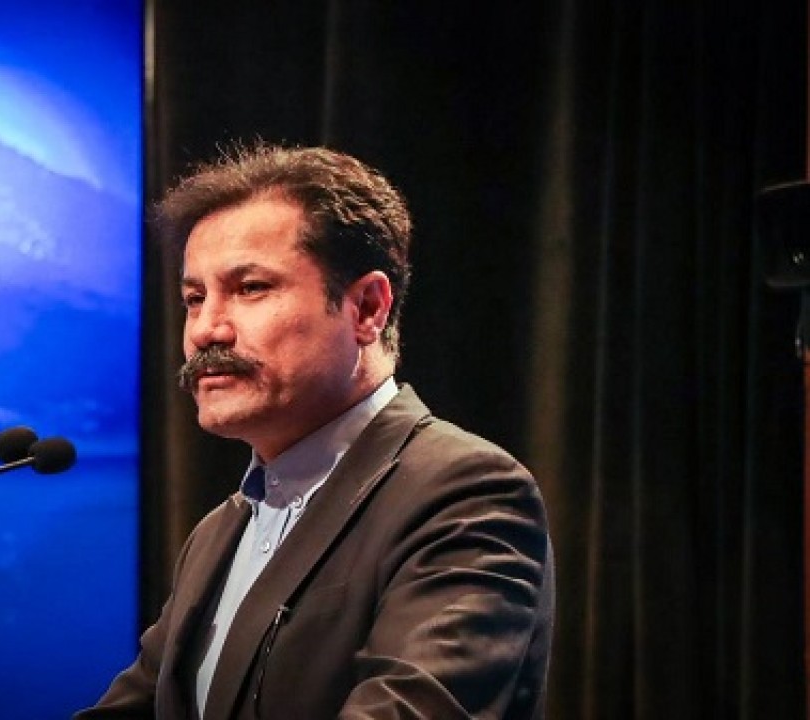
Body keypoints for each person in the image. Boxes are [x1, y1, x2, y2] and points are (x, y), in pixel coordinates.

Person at [78, 144, 554, 719]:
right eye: (194, 298)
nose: (206, 330)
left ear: (367, 308)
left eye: (251, 288)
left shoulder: (463, 494)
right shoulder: (218, 532)